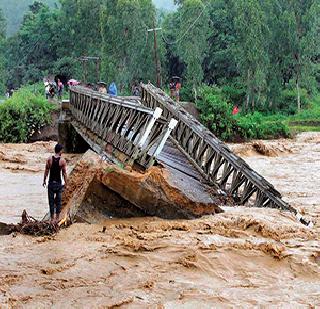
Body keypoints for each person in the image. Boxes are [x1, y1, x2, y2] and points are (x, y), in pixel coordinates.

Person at [43, 144, 68, 222]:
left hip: (51, 184)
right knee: (58, 202)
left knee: (51, 202)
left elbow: (46, 171)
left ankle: (52, 218)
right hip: (58, 184)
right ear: (60, 151)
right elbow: (64, 173)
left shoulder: (49, 159)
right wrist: (66, 183)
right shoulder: (63, 161)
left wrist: (44, 180)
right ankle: (57, 218)